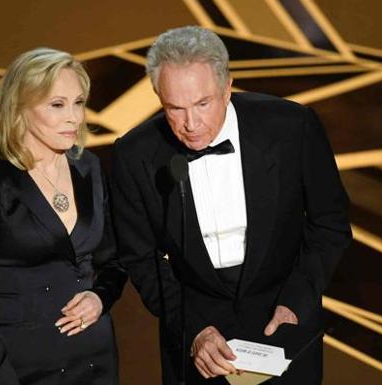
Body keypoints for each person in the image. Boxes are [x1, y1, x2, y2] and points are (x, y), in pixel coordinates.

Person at [111, 26, 351, 385]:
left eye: (202, 104)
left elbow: (329, 223)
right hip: (198, 331)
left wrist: (296, 300)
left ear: (227, 88)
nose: (190, 125)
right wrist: (192, 330)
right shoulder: (135, 154)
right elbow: (139, 257)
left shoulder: (292, 127)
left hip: (283, 314)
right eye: (174, 108)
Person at [0, 47, 127, 385]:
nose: (74, 118)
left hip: (96, 362)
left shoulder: (88, 167)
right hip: (26, 370)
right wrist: (2, 377)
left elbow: (114, 262)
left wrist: (100, 297)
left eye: (78, 103)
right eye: (57, 105)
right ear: (20, 107)